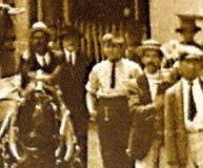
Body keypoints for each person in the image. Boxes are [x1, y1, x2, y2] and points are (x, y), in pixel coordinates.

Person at [87, 32, 143, 168]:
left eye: (116, 46)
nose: (112, 50)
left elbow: (142, 90)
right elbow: (90, 92)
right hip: (105, 107)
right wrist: (92, 110)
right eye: (108, 46)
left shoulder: (132, 68)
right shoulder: (98, 69)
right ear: (103, 49)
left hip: (125, 107)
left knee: (126, 146)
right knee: (107, 148)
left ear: (123, 48)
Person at [129, 39, 172, 168]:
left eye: (155, 56)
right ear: (142, 59)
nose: (151, 60)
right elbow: (133, 110)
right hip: (144, 138)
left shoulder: (168, 82)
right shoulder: (135, 83)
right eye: (147, 56)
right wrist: (153, 107)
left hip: (165, 138)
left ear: (160, 59)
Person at [57, 26, 91, 167]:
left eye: (74, 39)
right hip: (61, 110)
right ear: (62, 42)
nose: (71, 42)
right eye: (67, 39)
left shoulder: (86, 61)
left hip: (80, 110)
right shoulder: (56, 60)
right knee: (61, 143)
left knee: (81, 142)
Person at [164, 45, 203, 168]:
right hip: (184, 142)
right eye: (188, 62)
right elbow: (169, 129)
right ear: (179, 65)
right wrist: (172, 160)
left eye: (196, 62)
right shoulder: (172, 93)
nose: (192, 66)